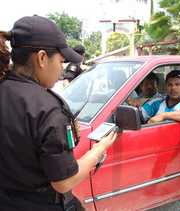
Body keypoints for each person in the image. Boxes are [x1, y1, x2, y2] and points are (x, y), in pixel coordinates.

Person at [0, 15, 117, 211]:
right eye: (61, 62)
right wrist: (99, 150)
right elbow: (63, 182)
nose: (61, 71)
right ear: (42, 58)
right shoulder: (47, 108)